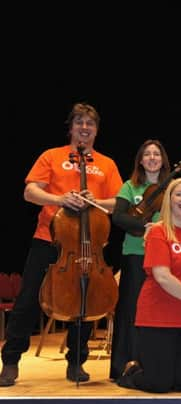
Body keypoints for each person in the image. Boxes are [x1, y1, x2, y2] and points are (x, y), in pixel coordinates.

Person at [0, 103, 123, 387]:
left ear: (96, 130)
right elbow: (30, 192)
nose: (84, 128)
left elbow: (118, 203)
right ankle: (10, 361)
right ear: (71, 128)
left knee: (85, 300)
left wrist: (94, 200)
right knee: (27, 300)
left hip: (89, 244)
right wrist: (60, 199)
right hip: (49, 239)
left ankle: (76, 361)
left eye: (90, 124)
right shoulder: (51, 156)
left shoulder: (106, 164)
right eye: (79, 122)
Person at [116, 178, 181, 393]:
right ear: (169, 199)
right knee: (158, 384)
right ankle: (132, 373)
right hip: (158, 316)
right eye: (179, 194)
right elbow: (162, 276)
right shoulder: (158, 232)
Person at [109, 139, 171, 380]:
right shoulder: (129, 186)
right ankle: (123, 365)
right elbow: (118, 217)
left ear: (163, 159)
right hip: (135, 254)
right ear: (141, 160)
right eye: (147, 154)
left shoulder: (171, 188)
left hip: (165, 257)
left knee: (161, 309)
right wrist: (146, 225)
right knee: (130, 310)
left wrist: (160, 228)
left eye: (157, 154)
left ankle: (155, 363)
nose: (153, 158)